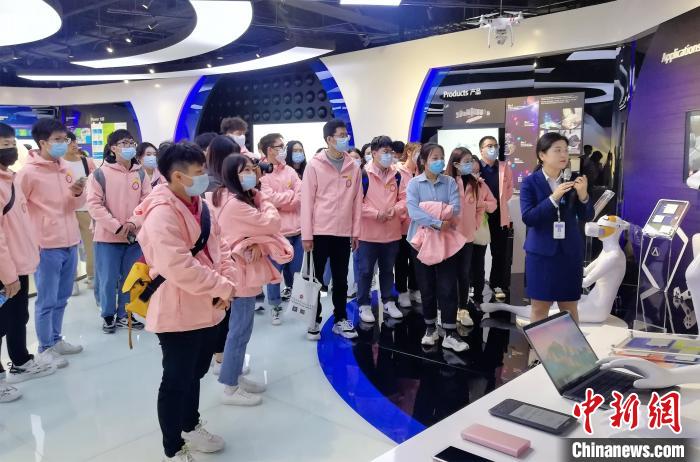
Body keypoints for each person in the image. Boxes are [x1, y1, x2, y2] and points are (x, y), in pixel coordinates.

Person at [135, 141, 235, 462]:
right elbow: (178, 266)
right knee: (176, 379)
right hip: (177, 310)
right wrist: (220, 286)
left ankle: (190, 425)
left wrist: (227, 283)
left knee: (196, 372)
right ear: (177, 176)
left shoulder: (202, 205)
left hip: (209, 304)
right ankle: (173, 447)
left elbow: (221, 247)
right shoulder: (161, 213)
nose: (205, 176)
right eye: (199, 172)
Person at [212, 154, 286, 406]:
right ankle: (230, 388)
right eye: (245, 170)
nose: (252, 174)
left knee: (239, 330)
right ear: (231, 174)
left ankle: (234, 376)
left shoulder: (224, 196)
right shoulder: (237, 204)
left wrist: (255, 243)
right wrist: (262, 197)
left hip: (237, 270)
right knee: (240, 330)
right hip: (240, 274)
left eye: (253, 168)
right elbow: (272, 223)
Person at [16, 118, 85, 367]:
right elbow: (18, 210)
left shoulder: (66, 168)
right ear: (43, 142)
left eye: (64, 139)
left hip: (70, 241)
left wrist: (78, 192)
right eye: (57, 140)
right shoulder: (27, 173)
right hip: (45, 245)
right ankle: (45, 347)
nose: (63, 144)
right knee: (46, 299)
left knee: (62, 296)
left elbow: (76, 204)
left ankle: (56, 339)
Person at [0, 122, 56, 403]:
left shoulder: (10, 178)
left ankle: (21, 360)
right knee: (1, 323)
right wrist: (7, 275)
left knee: (16, 317)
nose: (10, 149)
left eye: (12, 144)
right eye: (4, 144)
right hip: (5, 270)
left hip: (18, 264)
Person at [520, 132, 593, 323]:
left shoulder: (575, 180)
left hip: (569, 254)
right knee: (539, 307)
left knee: (569, 307)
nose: (564, 155)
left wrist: (584, 196)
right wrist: (553, 198)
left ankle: (571, 344)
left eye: (566, 150)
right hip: (541, 254)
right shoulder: (530, 182)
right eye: (558, 150)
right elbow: (529, 218)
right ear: (542, 155)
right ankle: (539, 344)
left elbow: (588, 216)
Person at [301, 119, 362, 340]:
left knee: (341, 279)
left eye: (346, 135)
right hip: (319, 232)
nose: (345, 139)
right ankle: (313, 320)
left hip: (343, 232)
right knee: (316, 279)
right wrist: (307, 234)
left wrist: (356, 232)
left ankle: (340, 319)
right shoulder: (314, 165)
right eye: (341, 135)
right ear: (329, 139)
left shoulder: (353, 166)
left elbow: (357, 202)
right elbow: (307, 201)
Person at [87, 129, 151, 333]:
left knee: (130, 278)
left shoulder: (140, 173)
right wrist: (116, 226)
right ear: (113, 148)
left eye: (131, 143)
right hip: (107, 238)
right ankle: (108, 315)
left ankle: (125, 314)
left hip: (133, 237)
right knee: (107, 279)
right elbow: (94, 205)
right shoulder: (99, 174)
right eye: (124, 143)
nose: (129, 146)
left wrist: (133, 222)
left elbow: (147, 201)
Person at [406, 143, 468, 352]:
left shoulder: (450, 182)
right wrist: (439, 221)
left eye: (441, 157)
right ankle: (430, 328)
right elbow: (414, 211)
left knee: (448, 286)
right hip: (420, 242)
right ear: (423, 161)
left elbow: (455, 209)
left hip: (446, 242)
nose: (439, 161)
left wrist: (427, 208)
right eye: (434, 158)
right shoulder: (414, 184)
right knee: (426, 287)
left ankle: (450, 332)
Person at [356, 135, 406, 324]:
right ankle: (364, 304)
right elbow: (356, 203)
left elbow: (404, 199)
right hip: (368, 234)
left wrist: (396, 209)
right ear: (374, 153)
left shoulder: (397, 175)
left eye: (391, 152)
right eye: (385, 152)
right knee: (365, 271)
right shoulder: (363, 174)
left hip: (391, 233)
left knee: (387, 270)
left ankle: (388, 301)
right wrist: (376, 214)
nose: (389, 156)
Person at [445, 147, 497, 327]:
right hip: (449, 237)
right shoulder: (446, 182)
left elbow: (481, 207)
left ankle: (462, 309)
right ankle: (446, 309)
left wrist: (475, 224)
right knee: (447, 275)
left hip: (467, 237)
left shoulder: (476, 183)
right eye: (466, 161)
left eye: (471, 161)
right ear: (455, 164)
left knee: (464, 274)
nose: (470, 164)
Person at [259, 133, 303, 324]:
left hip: (298, 230)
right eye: (280, 147)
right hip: (276, 233)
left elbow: (301, 193)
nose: (284, 150)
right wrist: (290, 197)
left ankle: (295, 301)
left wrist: (285, 200)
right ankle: (275, 306)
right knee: (275, 273)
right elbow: (269, 199)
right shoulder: (262, 174)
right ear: (270, 150)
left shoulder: (290, 171)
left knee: (296, 271)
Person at [478, 135, 513, 301]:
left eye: (495, 145)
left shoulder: (504, 167)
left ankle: (496, 283)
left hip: (500, 216)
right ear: (481, 150)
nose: (493, 148)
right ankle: (476, 284)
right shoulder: (476, 166)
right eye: (489, 146)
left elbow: (509, 190)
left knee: (499, 253)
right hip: (480, 216)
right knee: (478, 253)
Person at [64, 131, 97, 289]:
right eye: (68, 141)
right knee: (69, 247)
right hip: (67, 211)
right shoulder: (58, 164)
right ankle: (72, 280)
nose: (73, 144)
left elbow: (96, 183)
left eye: (74, 141)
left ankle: (92, 276)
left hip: (86, 209)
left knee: (91, 245)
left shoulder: (86, 161)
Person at [468, 158, 497, 315]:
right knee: (463, 266)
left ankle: (478, 296)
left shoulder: (482, 185)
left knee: (478, 265)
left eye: (477, 171)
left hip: (480, 232)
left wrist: (482, 204)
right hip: (462, 234)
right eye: (471, 171)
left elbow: (493, 204)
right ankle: (463, 299)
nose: (475, 174)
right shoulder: (456, 184)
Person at [395, 142, 421, 308]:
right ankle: (402, 291)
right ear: (409, 152)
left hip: (419, 226)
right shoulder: (397, 172)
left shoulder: (422, 172)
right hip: (401, 226)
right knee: (401, 260)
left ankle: (414, 288)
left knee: (416, 260)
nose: (420, 155)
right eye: (418, 152)